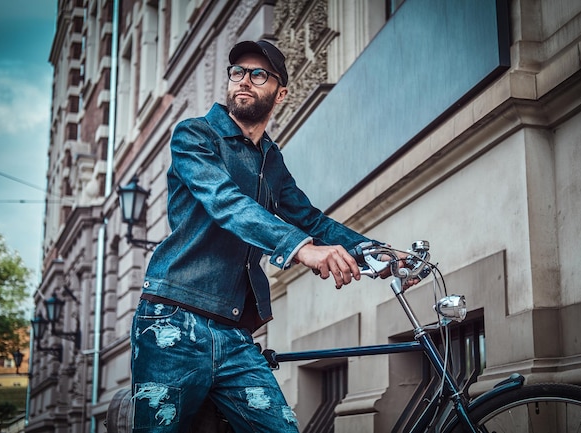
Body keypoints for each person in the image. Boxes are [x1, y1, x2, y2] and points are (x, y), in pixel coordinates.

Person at [130, 40, 411, 433]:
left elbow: (310, 219)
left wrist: (377, 253)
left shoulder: (270, 159)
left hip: (232, 333)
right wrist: (300, 249)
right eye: (238, 72)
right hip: (172, 321)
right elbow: (226, 203)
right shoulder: (195, 136)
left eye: (258, 74)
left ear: (280, 92)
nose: (244, 81)